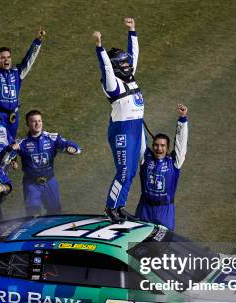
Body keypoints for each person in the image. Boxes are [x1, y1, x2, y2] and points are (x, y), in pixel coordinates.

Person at [93, 17, 145, 223]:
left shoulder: (130, 79)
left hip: (135, 128)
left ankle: (120, 206)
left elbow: (134, 55)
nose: (128, 65)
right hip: (122, 131)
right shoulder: (112, 85)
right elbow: (105, 68)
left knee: (131, 171)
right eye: (123, 63)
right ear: (116, 66)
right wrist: (100, 47)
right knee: (123, 171)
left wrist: (132, 31)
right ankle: (110, 207)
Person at [12, 110, 81, 216]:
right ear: (27, 124)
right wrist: (12, 154)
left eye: (39, 121)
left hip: (50, 181)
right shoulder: (22, 142)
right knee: (33, 215)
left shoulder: (52, 138)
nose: (37, 124)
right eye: (33, 121)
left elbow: (73, 146)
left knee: (56, 213)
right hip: (31, 184)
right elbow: (7, 156)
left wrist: (73, 149)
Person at [0, 28, 45, 137]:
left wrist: (37, 42)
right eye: (3, 58)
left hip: (14, 116)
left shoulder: (17, 73)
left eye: (9, 57)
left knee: (11, 144)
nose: (6, 60)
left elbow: (29, 60)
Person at [135, 104, 189, 230]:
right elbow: (139, 137)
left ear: (167, 147)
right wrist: (135, 115)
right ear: (152, 145)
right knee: (137, 245)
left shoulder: (174, 162)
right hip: (144, 209)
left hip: (165, 211)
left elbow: (181, 143)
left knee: (163, 245)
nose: (159, 148)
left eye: (162, 145)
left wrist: (182, 119)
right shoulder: (145, 158)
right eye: (156, 145)